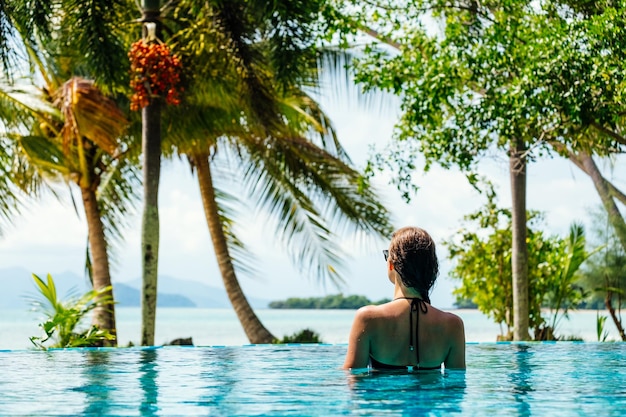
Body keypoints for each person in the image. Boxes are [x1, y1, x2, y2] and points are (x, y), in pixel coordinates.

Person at [343, 226, 466, 371]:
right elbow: (456, 386)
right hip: (432, 394)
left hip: (384, 394)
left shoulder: (368, 318)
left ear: (391, 264)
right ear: (431, 268)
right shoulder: (452, 325)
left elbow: (352, 379)